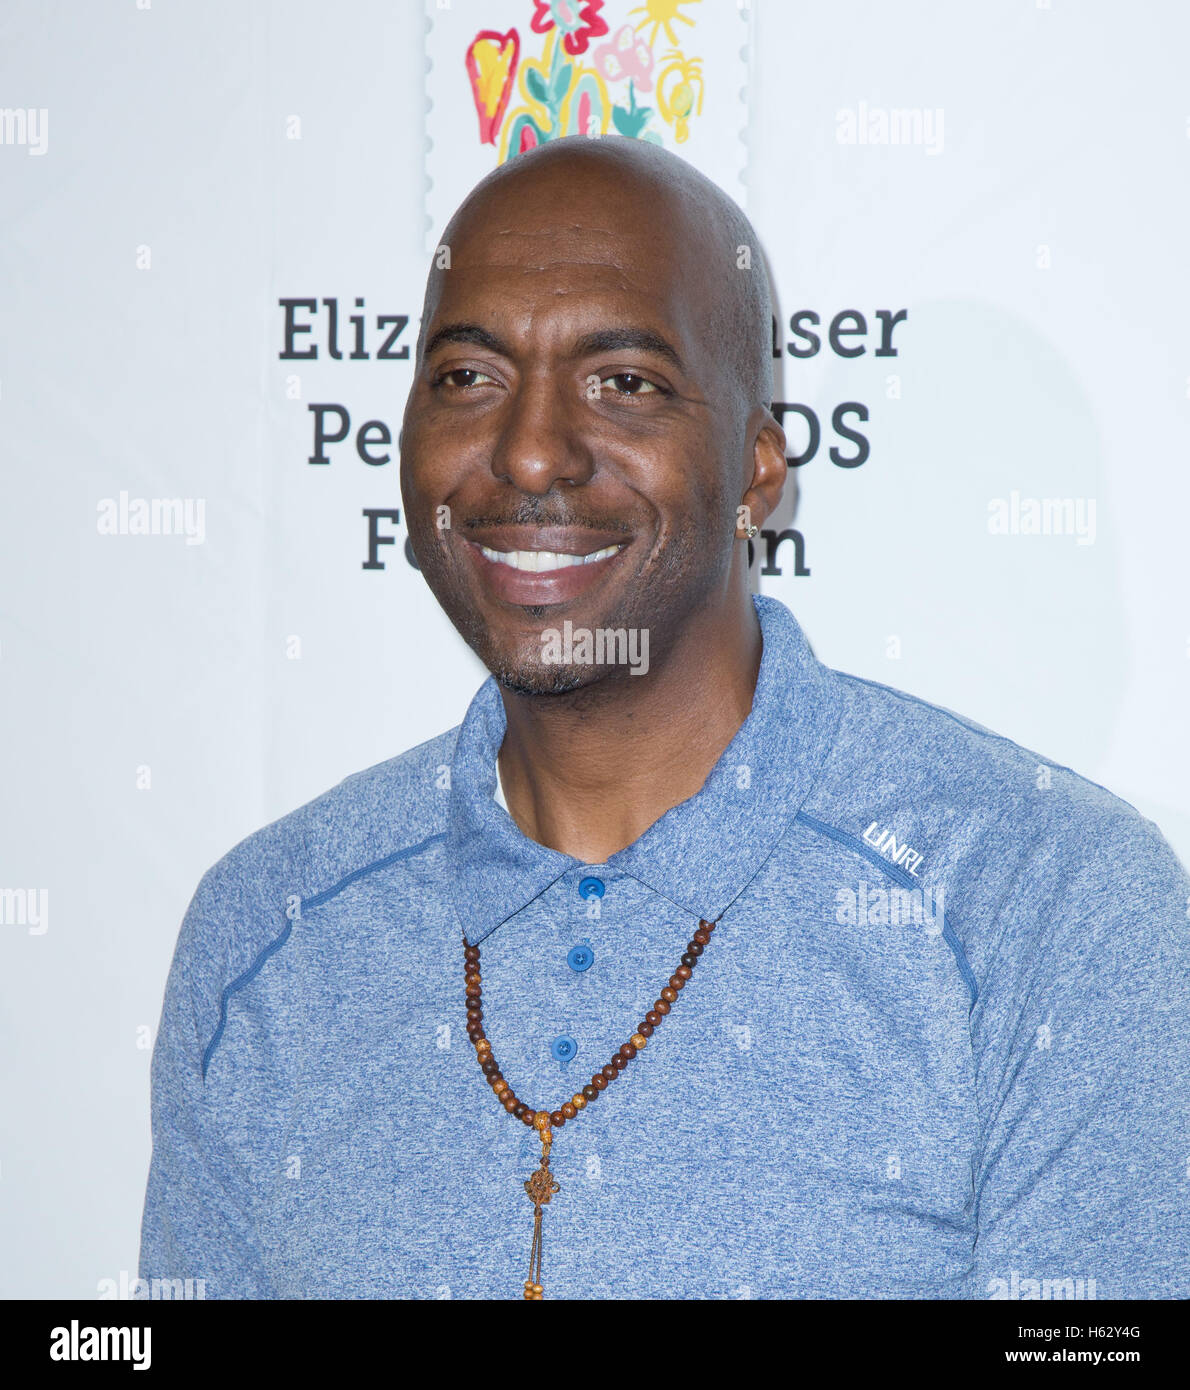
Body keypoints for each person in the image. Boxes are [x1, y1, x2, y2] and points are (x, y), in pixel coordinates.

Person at [139, 135, 1190, 1300]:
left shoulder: (1049, 902)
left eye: (623, 382)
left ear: (755, 471)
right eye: (466, 377)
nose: (530, 449)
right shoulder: (268, 929)